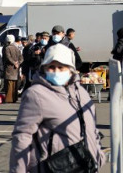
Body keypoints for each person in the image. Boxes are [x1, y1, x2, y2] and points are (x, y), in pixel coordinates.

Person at [10, 44, 105, 172]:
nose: (56, 71)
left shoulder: (81, 93)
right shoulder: (36, 94)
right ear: (44, 68)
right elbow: (22, 136)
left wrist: (99, 154)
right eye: (51, 67)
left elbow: (92, 128)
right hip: (54, 167)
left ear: (71, 70)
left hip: (87, 166)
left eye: (61, 67)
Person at [3, 34, 24, 104]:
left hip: (9, 68)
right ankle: (14, 98)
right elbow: (21, 58)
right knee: (15, 84)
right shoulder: (17, 48)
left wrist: (14, 63)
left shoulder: (7, 48)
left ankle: (9, 99)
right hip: (16, 69)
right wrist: (18, 63)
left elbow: (8, 57)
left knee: (9, 84)